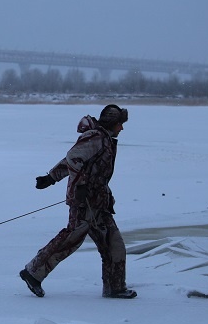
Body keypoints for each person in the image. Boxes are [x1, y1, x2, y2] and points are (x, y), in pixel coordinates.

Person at [20, 104, 136, 299]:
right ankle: (32, 272)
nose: (122, 128)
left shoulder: (105, 139)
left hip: (99, 203)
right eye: (119, 124)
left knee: (113, 243)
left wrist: (51, 178)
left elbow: (72, 161)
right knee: (70, 240)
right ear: (112, 123)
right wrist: (78, 185)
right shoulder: (96, 137)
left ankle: (114, 287)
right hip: (84, 202)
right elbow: (73, 158)